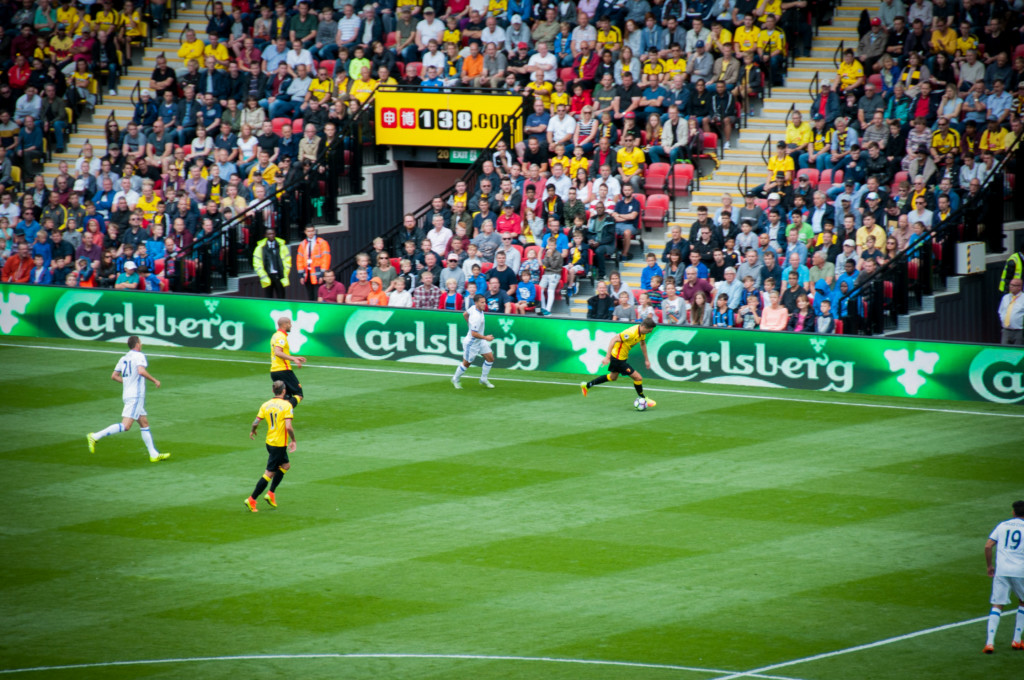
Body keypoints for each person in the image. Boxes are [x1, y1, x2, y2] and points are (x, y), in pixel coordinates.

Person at [86, 335, 169, 463]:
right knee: (126, 426)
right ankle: (95, 436)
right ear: (137, 344)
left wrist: (128, 383)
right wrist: (155, 380)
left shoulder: (124, 358)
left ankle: (153, 454)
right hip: (135, 396)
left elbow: (114, 376)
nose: (141, 345)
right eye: (140, 343)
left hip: (128, 394)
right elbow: (141, 371)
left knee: (144, 423)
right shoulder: (139, 356)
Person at [243, 380, 297, 512]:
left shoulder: (266, 404)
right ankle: (252, 499)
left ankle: (271, 493)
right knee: (269, 473)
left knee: (285, 466)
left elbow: (256, 421)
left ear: (273, 391)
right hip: (278, 444)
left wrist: (253, 430)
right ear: (284, 391)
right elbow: (288, 426)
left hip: (269, 442)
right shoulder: (286, 405)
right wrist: (293, 440)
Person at [580, 317, 658, 407]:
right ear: (643, 326)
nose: (650, 332)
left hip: (621, 358)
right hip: (618, 359)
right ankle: (643, 398)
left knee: (613, 377)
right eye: (649, 330)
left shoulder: (641, 333)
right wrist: (607, 357)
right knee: (638, 378)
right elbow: (614, 339)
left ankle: (587, 385)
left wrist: (647, 360)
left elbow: (643, 344)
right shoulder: (630, 333)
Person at [982, 499, 1024, 653]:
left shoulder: (1002, 525)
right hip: (1020, 571)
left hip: (1002, 571)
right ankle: (1017, 640)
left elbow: (988, 546)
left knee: (997, 605)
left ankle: (989, 643)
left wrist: (989, 566)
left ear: (1013, 512)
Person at [451, 294, 496, 390]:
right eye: (482, 302)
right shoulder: (476, 317)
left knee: (490, 358)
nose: (484, 304)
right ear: (476, 303)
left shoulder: (474, 308)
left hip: (480, 341)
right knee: (466, 363)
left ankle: (483, 379)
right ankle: (455, 378)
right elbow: (474, 334)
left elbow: (465, 314)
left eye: (485, 302)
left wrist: (469, 324)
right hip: (472, 343)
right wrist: (486, 337)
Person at [270, 316, 306, 408]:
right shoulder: (281, 337)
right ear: (285, 325)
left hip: (274, 371)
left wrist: (293, 357)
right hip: (283, 371)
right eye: (289, 323)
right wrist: (293, 358)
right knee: (299, 394)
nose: (291, 325)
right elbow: (278, 352)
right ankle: (283, 411)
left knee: (286, 397)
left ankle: (282, 418)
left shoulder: (275, 335)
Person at [253, 227, 291, 298]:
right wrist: (263, 275)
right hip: (267, 276)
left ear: (275, 234)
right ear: (266, 235)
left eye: (273, 234)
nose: (271, 235)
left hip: (279, 275)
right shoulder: (260, 248)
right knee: (268, 297)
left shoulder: (281, 246)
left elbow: (287, 261)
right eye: (269, 234)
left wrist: (285, 272)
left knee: (281, 297)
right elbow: (257, 263)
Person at [296, 225, 331, 301]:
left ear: (315, 231)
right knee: (310, 296)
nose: (311, 233)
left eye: (312, 231)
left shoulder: (322, 243)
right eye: (308, 231)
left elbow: (325, 259)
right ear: (305, 232)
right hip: (307, 275)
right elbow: (300, 261)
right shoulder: (303, 244)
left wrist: (322, 274)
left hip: (318, 274)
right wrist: (301, 275)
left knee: (318, 296)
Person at [998, 278, 1023, 345]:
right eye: (1010, 285)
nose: (1011, 287)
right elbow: (1001, 311)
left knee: (1017, 352)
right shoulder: (1005, 298)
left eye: (1013, 285)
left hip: (1019, 331)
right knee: (1005, 350)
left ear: (1019, 287)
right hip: (1006, 330)